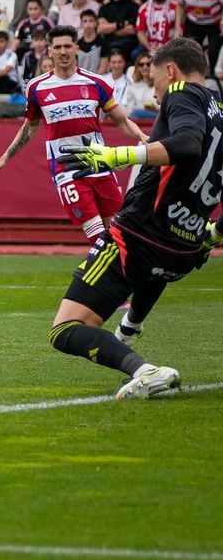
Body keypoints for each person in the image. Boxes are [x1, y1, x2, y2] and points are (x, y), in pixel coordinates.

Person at [50, 37, 223, 399]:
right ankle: (129, 329)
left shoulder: (181, 93)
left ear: (170, 71)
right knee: (151, 272)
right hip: (184, 251)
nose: (155, 91)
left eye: (153, 77)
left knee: (64, 330)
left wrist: (117, 156)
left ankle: (145, 371)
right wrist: (213, 234)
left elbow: (188, 144)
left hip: (138, 236)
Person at [0, 25, 148, 240]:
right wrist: (5, 158)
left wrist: (143, 137)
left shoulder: (97, 83)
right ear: (50, 51)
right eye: (57, 47)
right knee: (97, 235)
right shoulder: (36, 87)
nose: (63, 52)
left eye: (67, 46)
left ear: (76, 49)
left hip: (100, 164)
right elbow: (29, 127)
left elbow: (122, 121)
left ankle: (120, 263)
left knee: (119, 233)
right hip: (67, 169)